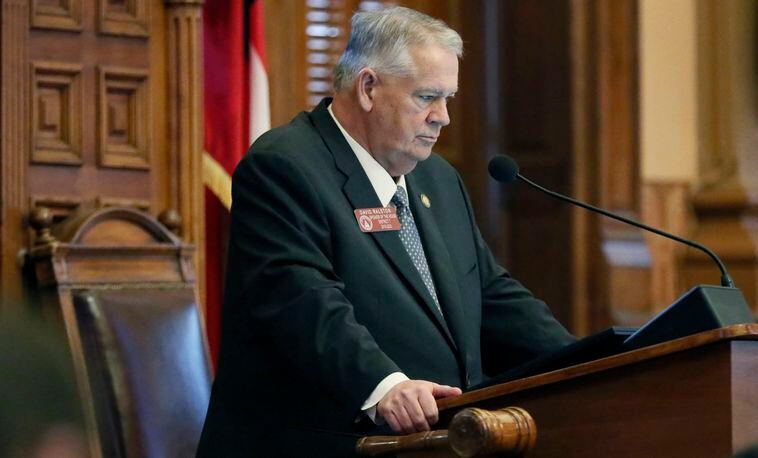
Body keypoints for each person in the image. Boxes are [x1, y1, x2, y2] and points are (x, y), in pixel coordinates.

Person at [197, 6, 574, 457]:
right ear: (369, 87)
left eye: (448, 98)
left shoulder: (437, 179)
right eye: (428, 97)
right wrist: (386, 385)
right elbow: (303, 300)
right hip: (325, 442)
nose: (443, 117)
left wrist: (588, 362)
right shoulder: (284, 166)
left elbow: (492, 294)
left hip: (438, 439)